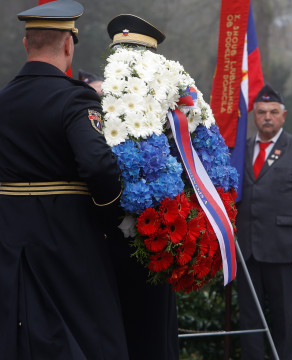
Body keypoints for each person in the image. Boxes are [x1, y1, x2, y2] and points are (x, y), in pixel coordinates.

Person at [0, 1, 129, 359]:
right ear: (69, 45)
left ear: (27, 45)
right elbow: (99, 167)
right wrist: (111, 215)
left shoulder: (3, 101)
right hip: (69, 241)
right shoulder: (76, 99)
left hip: (9, 240)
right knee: (87, 338)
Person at [104, 14, 180, 360]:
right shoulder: (98, 107)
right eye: (122, 59)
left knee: (153, 334)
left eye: (135, 58)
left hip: (157, 240)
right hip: (107, 242)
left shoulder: (172, 113)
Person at [236, 84, 292, 360]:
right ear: (254, 116)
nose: (267, 117)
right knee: (250, 320)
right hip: (247, 249)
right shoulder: (242, 150)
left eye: (273, 112)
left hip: (284, 251)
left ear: (284, 116)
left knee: (284, 319)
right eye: (261, 112)